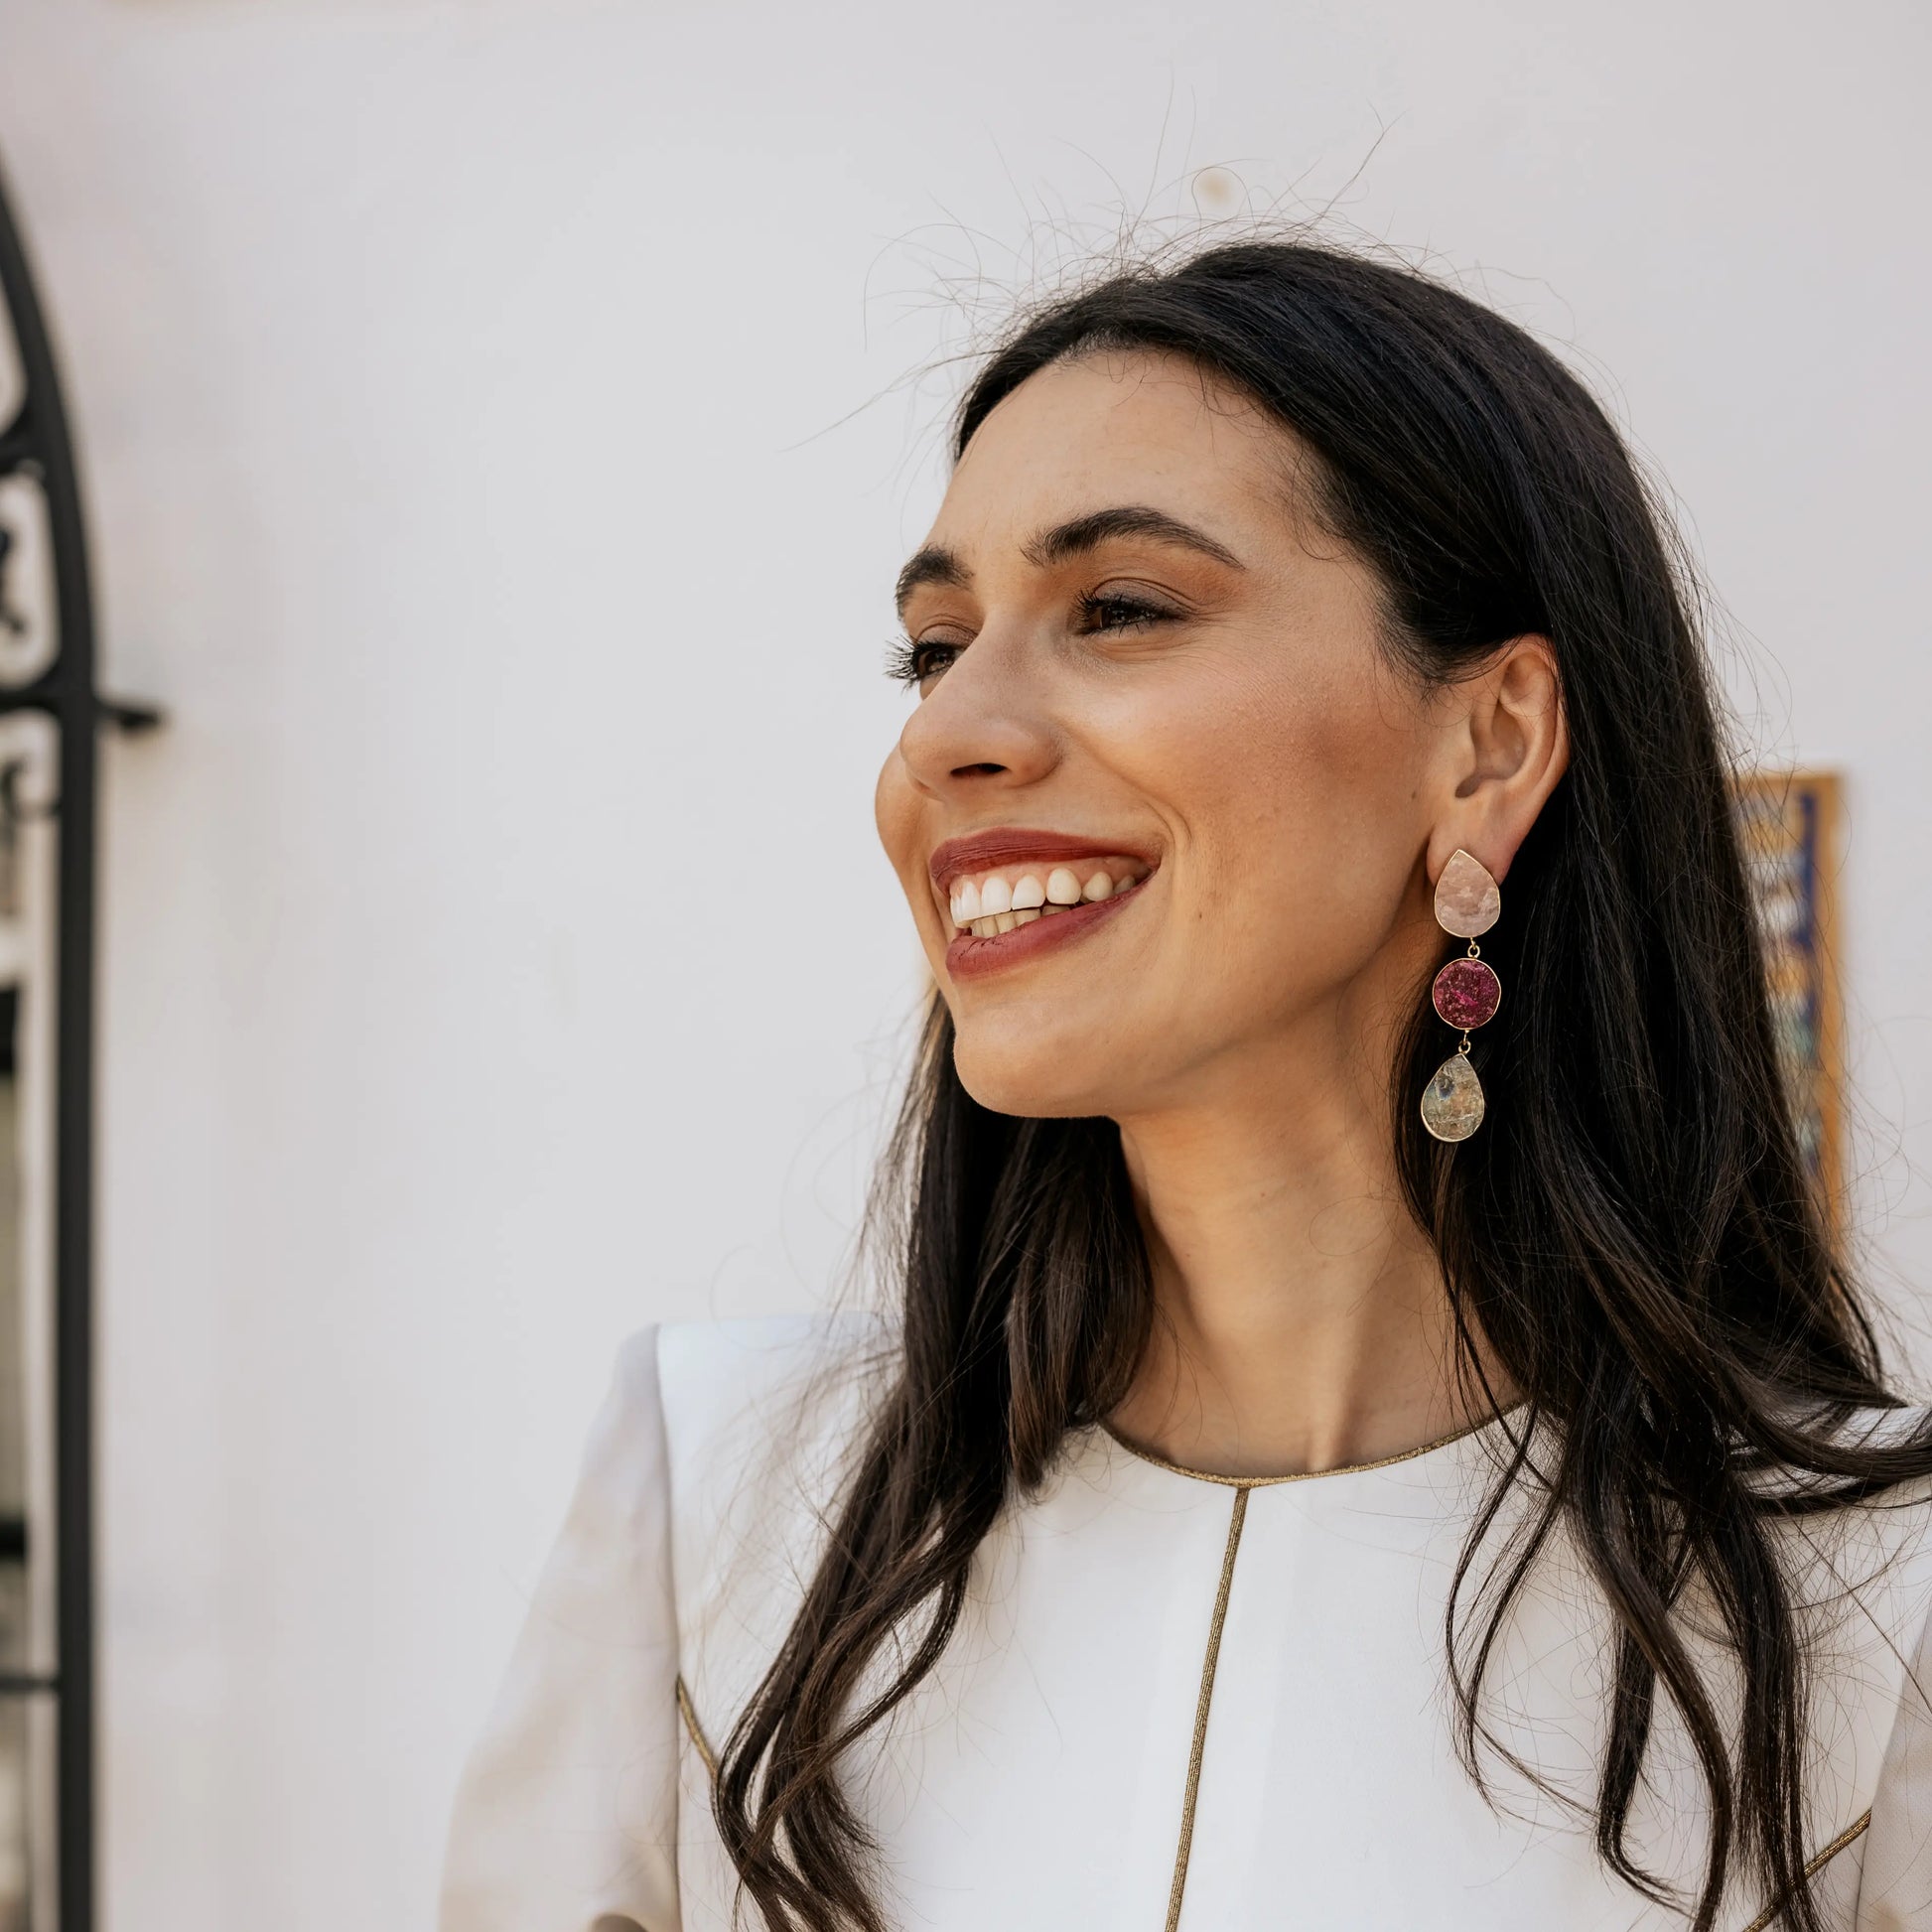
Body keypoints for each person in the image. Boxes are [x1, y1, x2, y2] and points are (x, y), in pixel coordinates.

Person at [437, 239, 1932, 1932]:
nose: (944, 733)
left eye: (1120, 608)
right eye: (933, 646)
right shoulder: (719, 1510)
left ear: (1490, 741)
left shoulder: (1872, 1609)